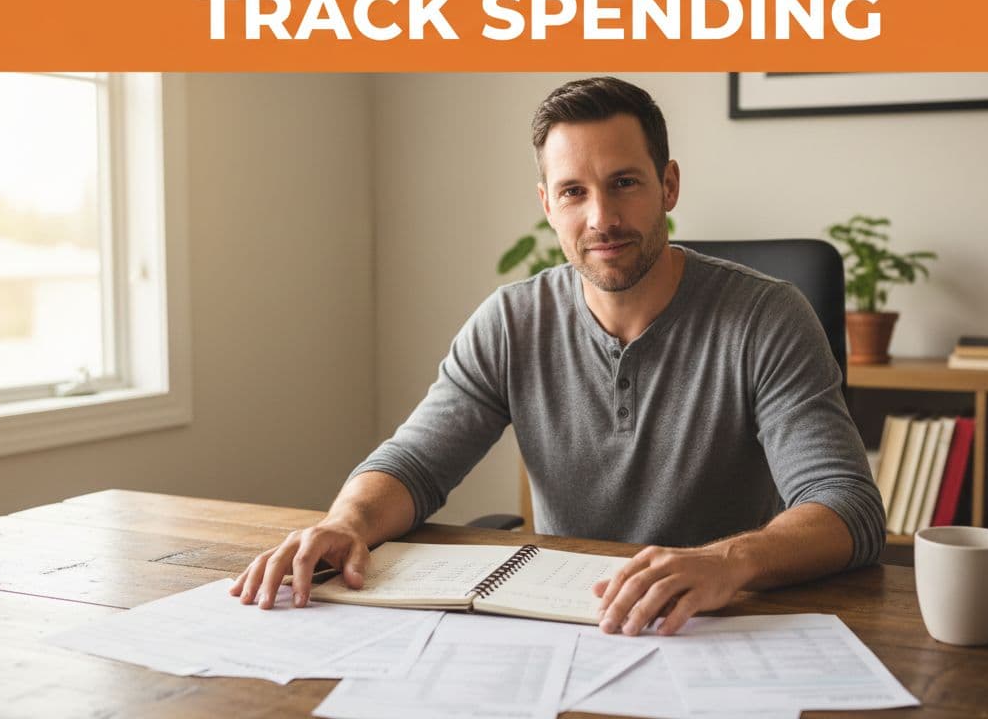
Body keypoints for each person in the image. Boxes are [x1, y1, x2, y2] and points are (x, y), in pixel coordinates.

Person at [231, 76, 885, 635]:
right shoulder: (512, 321)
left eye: (624, 182)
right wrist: (348, 521)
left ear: (669, 185)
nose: (601, 217)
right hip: (566, 624)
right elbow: (414, 462)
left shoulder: (767, 318)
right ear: (548, 205)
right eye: (574, 191)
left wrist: (727, 563)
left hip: (720, 623)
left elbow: (846, 504)